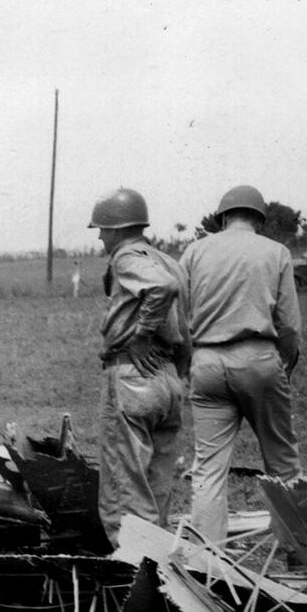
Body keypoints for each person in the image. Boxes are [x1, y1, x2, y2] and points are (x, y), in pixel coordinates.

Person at [178, 186, 307, 557]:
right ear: (259, 219)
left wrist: (191, 360)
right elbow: (291, 326)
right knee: (282, 463)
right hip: (258, 359)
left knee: (208, 470)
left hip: (206, 361)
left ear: (222, 217)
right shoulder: (276, 252)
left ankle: (206, 562)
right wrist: (283, 364)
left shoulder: (195, 251)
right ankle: (297, 556)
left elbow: (178, 314)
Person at [89, 187, 191, 544]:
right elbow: (186, 327)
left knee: (124, 494)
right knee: (155, 489)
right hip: (167, 379)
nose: (100, 236)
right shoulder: (169, 261)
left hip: (133, 372)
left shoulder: (126, 257)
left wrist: (141, 336)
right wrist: (177, 372)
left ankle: (134, 579)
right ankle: (159, 579)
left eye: (101, 229)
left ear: (116, 229)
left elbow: (159, 288)